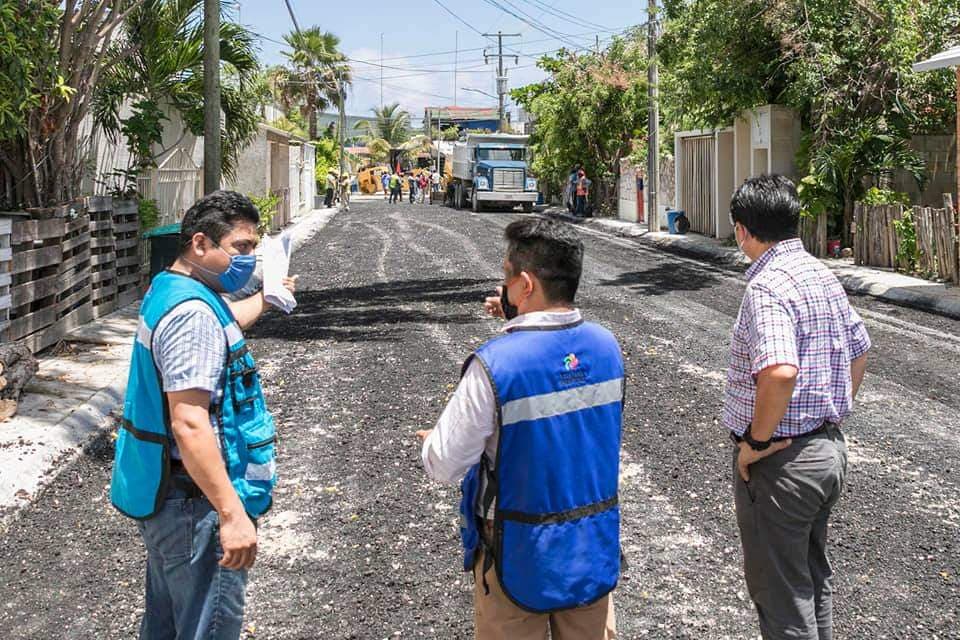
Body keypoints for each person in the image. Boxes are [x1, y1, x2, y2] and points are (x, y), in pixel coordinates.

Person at [417, 218, 623, 640]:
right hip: (590, 538)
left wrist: (436, 440)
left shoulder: (494, 364)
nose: (504, 288)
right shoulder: (608, 348)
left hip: (517, 546)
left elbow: (443, 464)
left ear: (525, 285)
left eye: (506, 279)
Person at [111, 191, 297, 640]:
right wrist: (231, 513)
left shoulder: (175, 288)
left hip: (172, 499)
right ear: (200, 244)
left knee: (167, 624)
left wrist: (268, 299)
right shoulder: (193, 313)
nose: (249, 261)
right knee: (205, 628)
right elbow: (190, 423)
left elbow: (223, 322)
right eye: (241, 248)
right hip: (196, 506)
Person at [723, 175, 871, 640]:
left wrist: (755, 442)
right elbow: (860, 348)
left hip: (782, 463)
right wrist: (834, 411)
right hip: (826, 452)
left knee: (782, 597)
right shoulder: (820, 274)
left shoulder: (767, 286)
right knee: (811, 581)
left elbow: (780, 371)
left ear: (743, 230)